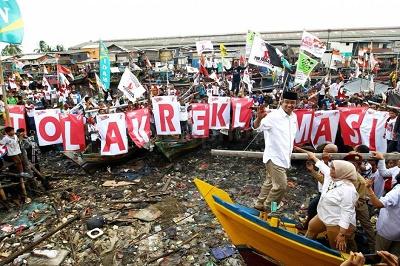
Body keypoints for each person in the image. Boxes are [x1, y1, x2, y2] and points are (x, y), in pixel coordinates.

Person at [253, 90, 298, 213]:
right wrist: (258, 118)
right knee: (281, 187)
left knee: (270, 182)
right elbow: (257, 127)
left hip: (285, 156)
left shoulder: (294, 117)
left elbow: (289, 136)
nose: (290, 105)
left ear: (296, 103)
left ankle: (259, 203)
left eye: (292, 103)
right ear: (282, 102)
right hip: (274, 157)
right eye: (287, 102)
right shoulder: (273, 116)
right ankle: (269, 210)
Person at [305, 151, 358, 252]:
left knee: (336, 247)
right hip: (324, 215)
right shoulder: (332, 176)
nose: (331, 170)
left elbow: (346, 212)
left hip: (336, 222)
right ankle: (305, 249)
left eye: (333, 168)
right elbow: (323, 167)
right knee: (312, 227)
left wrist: (342, 234)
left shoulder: (348, 190)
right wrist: (313, 157)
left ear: (342, 172)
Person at [366, 156, 400, 257]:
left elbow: (378, 204)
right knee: (394, 259)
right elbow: (384, 172)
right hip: (396, 232)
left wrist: (369, 188)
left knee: (380, 257)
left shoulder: (397, 191)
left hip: (388, 231)